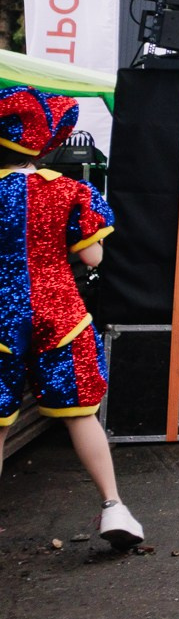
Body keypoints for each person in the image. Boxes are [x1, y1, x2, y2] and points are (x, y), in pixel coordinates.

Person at [0, 78, 144, 550]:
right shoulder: (69, 191)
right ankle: (113, 507)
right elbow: (93, 257)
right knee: (80, 415)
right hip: (60, 313)